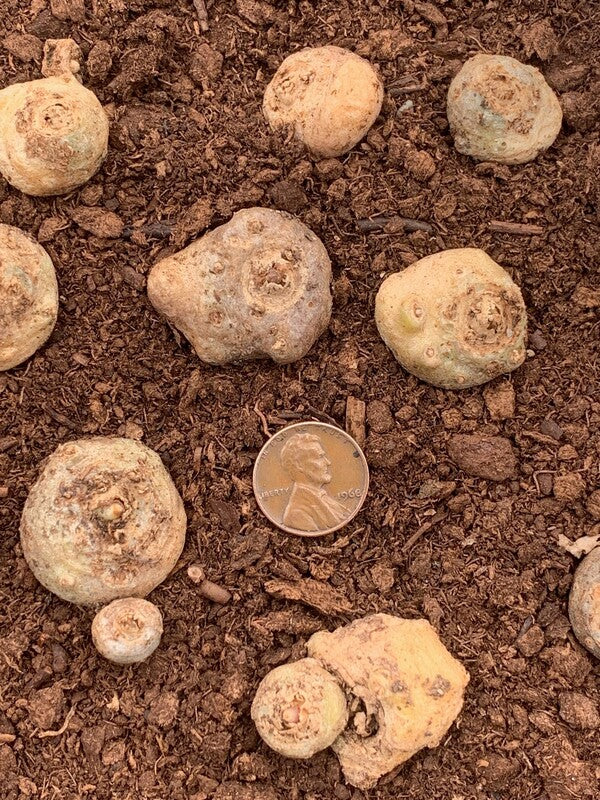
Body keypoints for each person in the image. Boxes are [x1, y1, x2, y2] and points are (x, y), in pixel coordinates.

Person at [280, 432, 348, 531]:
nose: (328, 462)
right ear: (299, 465)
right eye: (319, 457)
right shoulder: (296, 514)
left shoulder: (323, 498)